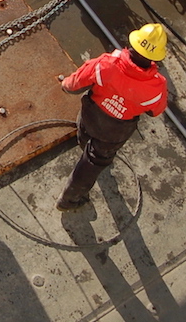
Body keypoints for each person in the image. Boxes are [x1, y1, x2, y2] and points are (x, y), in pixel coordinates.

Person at [56, 23, 169, 210]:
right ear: (155, 57)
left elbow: (72, 84)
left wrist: (65, 85)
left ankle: (84, 144)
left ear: (133, 43)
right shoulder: (157, 87)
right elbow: (155, 111)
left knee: (84, 134)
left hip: (90, 116)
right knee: (94, 161)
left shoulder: (106, 64)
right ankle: (68, 199)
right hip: (115, 132)